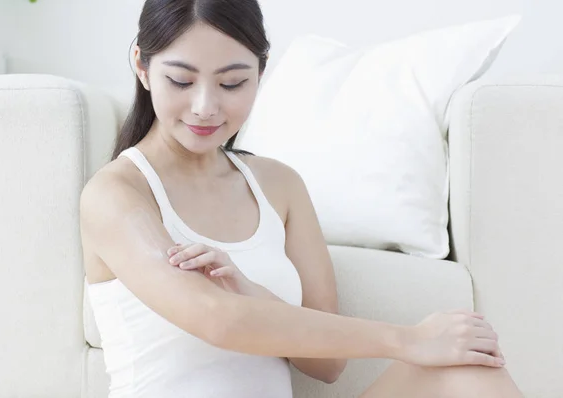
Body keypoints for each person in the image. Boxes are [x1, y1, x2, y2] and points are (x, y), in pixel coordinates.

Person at [79, 0, 524, 396]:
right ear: (141, 64)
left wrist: (255, 294)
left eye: (232, 83)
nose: (205, 106)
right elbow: (215, 318)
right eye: (180, 80)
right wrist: (408, 339)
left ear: (260, 71)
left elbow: (326, 367)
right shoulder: (116, 193)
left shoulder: (279, 185)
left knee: (469, 372)